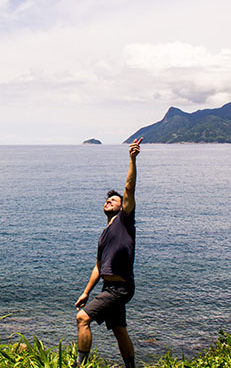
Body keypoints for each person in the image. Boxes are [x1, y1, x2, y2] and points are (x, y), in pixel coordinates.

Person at [74, 137, 142, 368]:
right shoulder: (105, 233)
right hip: (109, 287)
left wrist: (132, 160)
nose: (108, 201)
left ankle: (79, 366)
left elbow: (129, 188)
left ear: (123, 206)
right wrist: (86, 292)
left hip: (121, 287)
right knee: (119, 330)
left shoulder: (125, 220)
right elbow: (98, 266)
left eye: (113, 200)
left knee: (83, 318)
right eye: (107, 200)